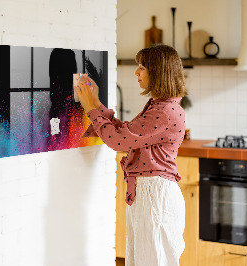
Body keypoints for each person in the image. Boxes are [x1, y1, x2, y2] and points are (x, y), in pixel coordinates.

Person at [75, 44, 187, 266]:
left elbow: (118, 141)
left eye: (142, 67)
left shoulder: (164, 111)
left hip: (155, 195)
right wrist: (96, 104)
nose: (136, 72)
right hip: (150, 193)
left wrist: (90, 108)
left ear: (158, 72)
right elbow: (126, 133)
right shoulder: (160, 106)